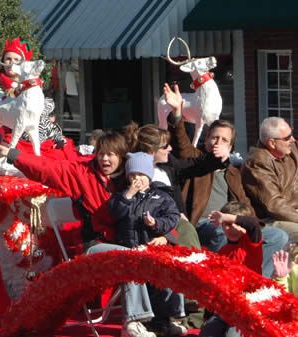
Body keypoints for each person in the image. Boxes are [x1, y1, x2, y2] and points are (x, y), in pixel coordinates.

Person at [0, 132, 161, 337]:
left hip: (130, 242)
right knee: (131, 258)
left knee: (162, 254)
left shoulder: (132, 176)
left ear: (122, 157)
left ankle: (169, 317)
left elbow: (160, 203)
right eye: (101, 154)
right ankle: (132, 324)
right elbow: (47, 169)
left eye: (111, 154)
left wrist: (165, 233)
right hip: (94, 245)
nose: (105, 159)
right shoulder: (82, 173)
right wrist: (13, 154)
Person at [163, 83, 288, 277]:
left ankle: (255, 282)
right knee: (222, 234)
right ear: (206, 140)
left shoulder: (232, 172)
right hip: (205, 223)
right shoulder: (195, 160)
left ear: (230, 147)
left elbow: (245, 204)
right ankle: (222, 285)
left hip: (233, 220)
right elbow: (181, 143)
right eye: (214, 138)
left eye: (224, 140)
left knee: (278, 236)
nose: (217, 143)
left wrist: (251, 223)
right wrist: (177, 112)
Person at [109, 152, 186, 336]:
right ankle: (137, 321)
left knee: (167, 271)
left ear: (149, 176)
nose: (136, 179)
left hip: (154, 248)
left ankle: (164, 319)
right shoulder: (123, 196)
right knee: (137, 271)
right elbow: (114, 213)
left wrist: (158, 227)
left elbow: (173, 217)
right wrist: (128, 195)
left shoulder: (161, 197)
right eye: (132, 175)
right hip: (131, 249)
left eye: (141, 175)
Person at [126, 122, 229, 249]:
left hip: (176, 224)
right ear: (151, 151)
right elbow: (137, 210)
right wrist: (167, 233)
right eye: (165, 146)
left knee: (188, 230)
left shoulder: (168, 166)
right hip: (152, 229)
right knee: (186, 232)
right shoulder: (135, 174)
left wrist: (219, 157)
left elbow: (196, 166)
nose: (170, 148)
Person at [199, 201, 263, 337]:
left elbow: (253, 224)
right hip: (226, 309)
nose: (232, 228)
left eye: (237, 224)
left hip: (248, 308)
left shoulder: (251, 244)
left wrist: (228, 218)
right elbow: (215, 288)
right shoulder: (222, 252)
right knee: (207, 332)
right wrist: (208, 315)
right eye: (226, 225)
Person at [242, 116, 298, 242]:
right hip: (275, 219)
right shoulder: (257, 163)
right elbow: (274, 205)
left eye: (292, 134)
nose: (293, 139)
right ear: (272, 143)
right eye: (288, 138)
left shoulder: (289, 149)